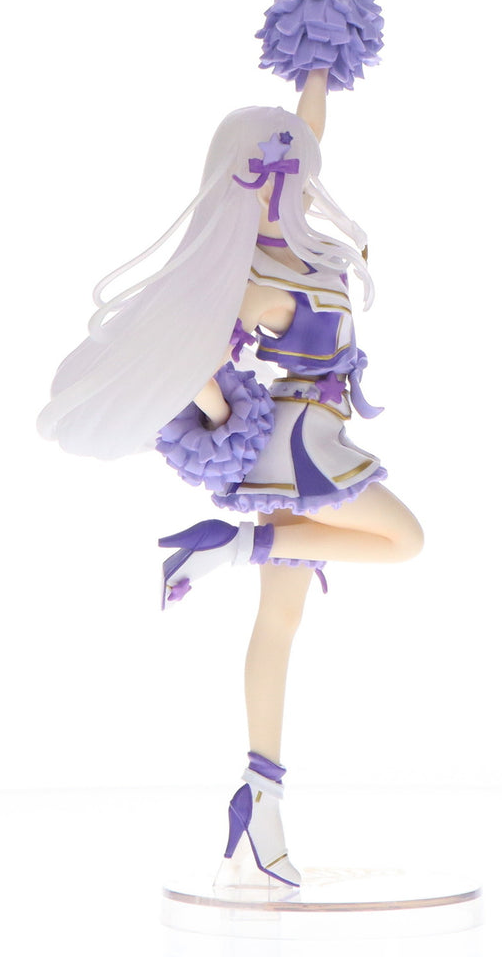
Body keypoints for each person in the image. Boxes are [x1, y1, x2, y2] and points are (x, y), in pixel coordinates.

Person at [38, 70, 422, 888]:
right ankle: (231, 547)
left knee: (279, 626)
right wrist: (218, 411)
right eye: (289, 171)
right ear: (261, 180)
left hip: (311, 442)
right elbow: (197, 359)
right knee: (404, 540)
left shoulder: (308, 249)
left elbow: (309, 136)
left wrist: (316, 69)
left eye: (302, 169)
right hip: (303, 449)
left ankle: (260, 799)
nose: (304, 180)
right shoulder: (257, 282)